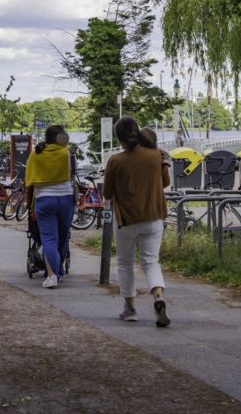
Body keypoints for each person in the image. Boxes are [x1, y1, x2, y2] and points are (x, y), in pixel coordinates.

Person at [104, 117, 171, 326]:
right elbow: (166, 182)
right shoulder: (155, 155)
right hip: (153, 216)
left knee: (125, 263)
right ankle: (158, 297)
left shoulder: (115, 161)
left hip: (127, 220)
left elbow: (107, 193)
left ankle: (130, 308)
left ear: (119, 138)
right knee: (151, 261)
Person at [25, 125, 74, 289]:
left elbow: (28, 182)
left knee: (49, 239)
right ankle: (58, 271)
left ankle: (52, 275)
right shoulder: (65, 153)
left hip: (44, 199)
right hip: (65, 199)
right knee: (62, 237)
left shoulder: (36, 154)